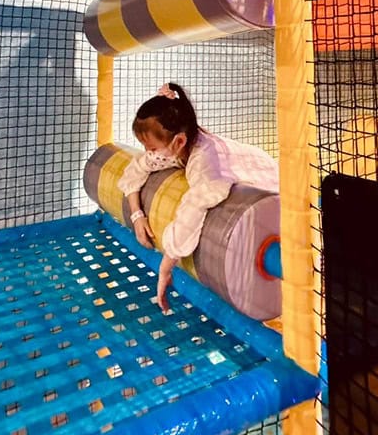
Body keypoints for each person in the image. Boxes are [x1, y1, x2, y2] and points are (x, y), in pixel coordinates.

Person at [118, 83, 278, 311]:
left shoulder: (204, 161)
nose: (148, 153)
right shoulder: (171, 145)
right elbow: (135, 170)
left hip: (265, 178)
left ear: (179, 142)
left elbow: (193, 209)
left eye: (151, 148)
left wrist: (165, 269)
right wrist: (137, 215)